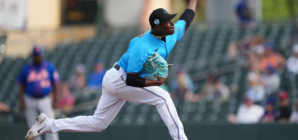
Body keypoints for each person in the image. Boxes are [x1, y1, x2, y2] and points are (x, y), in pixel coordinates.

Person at [25, 1, 198, 140]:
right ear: (157, 27)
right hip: (120, 79)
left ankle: (47, 125)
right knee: (163, 97)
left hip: (116, 78)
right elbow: (131, 80)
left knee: (97, 124)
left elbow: (187, 17)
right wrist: (156, 82)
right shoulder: (141, 46)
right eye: (167, 21)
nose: (171, 23)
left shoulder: (172, 32)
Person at [18, 46, 60, 140]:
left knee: (50, 124)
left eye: (39, 55)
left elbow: (56, 84)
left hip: (45, 99)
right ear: (32, 56)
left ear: (42, 55)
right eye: (35, 56)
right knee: (33, 127)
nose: (37, 57)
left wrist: (55, 99)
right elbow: (21, 86)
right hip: (30, 100)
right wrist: (21, 101)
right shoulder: (26, 68)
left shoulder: (49, 66)